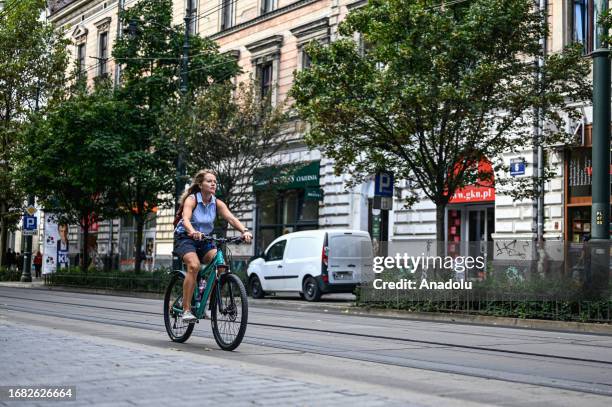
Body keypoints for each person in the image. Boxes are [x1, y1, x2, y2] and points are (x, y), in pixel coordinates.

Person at [173, 169, 252, 322]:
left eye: (215, 182)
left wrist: (245, 230)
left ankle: (207, 302)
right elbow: (186, 219)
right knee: (194, 266)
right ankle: (186, 309)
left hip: (205, 239)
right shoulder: (192, 199)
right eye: (209, 181)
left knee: (221, 266)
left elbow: (231, 218)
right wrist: (192, 231)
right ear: (200, 184)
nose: (213, 184)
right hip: (186, 237)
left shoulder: (217, 203)